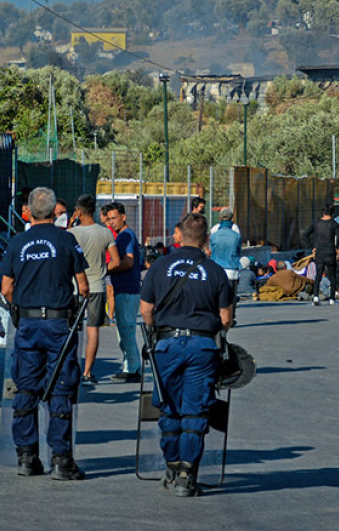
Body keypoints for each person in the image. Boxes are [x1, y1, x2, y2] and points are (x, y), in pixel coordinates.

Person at [139, 213, 234, 497]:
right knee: (195, 410)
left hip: (167, 344)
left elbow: (146, 310)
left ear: (179, 235)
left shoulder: (159, 266)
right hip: (202, 346)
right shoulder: (215, 271)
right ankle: (187, 475)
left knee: (169, 408)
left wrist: (157, 332)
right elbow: (226, 318)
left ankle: (171, 465)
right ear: (206, 240)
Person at [0, 187, 90, 479]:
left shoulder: (17, 242)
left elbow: (6, 288)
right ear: (54, 212)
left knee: (26, 387)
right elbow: (83, 286)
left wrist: (19, 308)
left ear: (28, 211)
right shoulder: (66, 240)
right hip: (58, 323)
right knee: (61, 388)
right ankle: (61, 459)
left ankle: (27, 457)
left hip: (28, 323)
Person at [68, 194, 121, 385]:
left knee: (71, 329)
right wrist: (102, 270)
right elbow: (116, 261)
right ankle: (88, 373)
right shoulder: (105, 233)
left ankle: (70, 369)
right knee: (93, 330)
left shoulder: (71, 233)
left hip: (75, 287)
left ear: (79, 211)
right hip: (97, 287)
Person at [105, 202, 144, 383]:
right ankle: (131, 366)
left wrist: (106, 269)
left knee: (126, 331)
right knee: (124, 331)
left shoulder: (125, 236)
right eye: (109, 219)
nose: (111, 222)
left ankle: (132, 368)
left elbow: (128, 261)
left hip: (127, 290)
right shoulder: (124, 235)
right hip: (126, 289)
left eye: (114, 218)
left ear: (123, 216)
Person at [303, 205, 339, 305]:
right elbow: (338, 237)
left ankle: (316, 296)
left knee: (318, 274)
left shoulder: (316, 223)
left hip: (319, 251)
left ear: (322, 212)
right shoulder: (334, 224)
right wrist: (336, 247)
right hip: (330, 251)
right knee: (332, 275)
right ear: (332, 212)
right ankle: (332, 298)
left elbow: (305, 235)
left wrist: (312, 246)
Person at [209, 207, 242, 296]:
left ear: (220, 218)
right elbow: (238, 251)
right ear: (232, 218)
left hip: (216, 271)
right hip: (232, 271)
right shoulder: (236, 233)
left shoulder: (214, 232)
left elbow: (212, 249)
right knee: (231, 299)